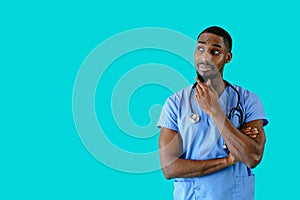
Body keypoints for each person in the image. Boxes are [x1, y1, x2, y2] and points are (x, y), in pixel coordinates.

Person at [157, 26, 268, 200]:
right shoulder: (175, 103)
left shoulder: (247, 100)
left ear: (227, 57)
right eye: (200, 49)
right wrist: (228, 160)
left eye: (215, 51)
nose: (205, 57)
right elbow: (169, 168)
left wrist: (215, 111)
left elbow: (252, 157)